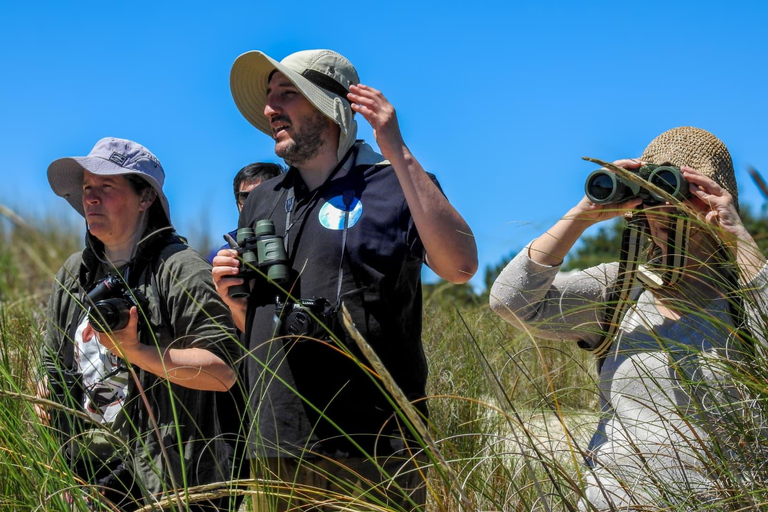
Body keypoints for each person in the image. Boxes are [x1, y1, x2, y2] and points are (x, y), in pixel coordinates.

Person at [214, 49, 478, 511]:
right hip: (279, 438)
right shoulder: (265, 199)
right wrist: (234, 298)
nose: (270, 108)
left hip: (374, 442)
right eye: (269, 97)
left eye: (287, 95)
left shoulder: (394, 183)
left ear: (331, 106)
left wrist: (397, 150)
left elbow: (460, 267)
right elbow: (255, 322)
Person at [489, 126, 768, 510]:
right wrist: (582, 216)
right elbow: (510, 302)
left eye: (674, 196)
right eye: (648, 198)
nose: (660, 215)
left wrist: (737, 235)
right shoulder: (618, 288)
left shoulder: (746, 295)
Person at [40, 137, 241, 511]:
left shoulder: (180, 269)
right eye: (86, 188)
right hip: (89, 476)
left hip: (170, 481)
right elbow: (52, 366)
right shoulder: (74, 273)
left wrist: (134, 351)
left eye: (106, 186)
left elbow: (223, 371)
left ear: (145, 198)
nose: (91, 198)